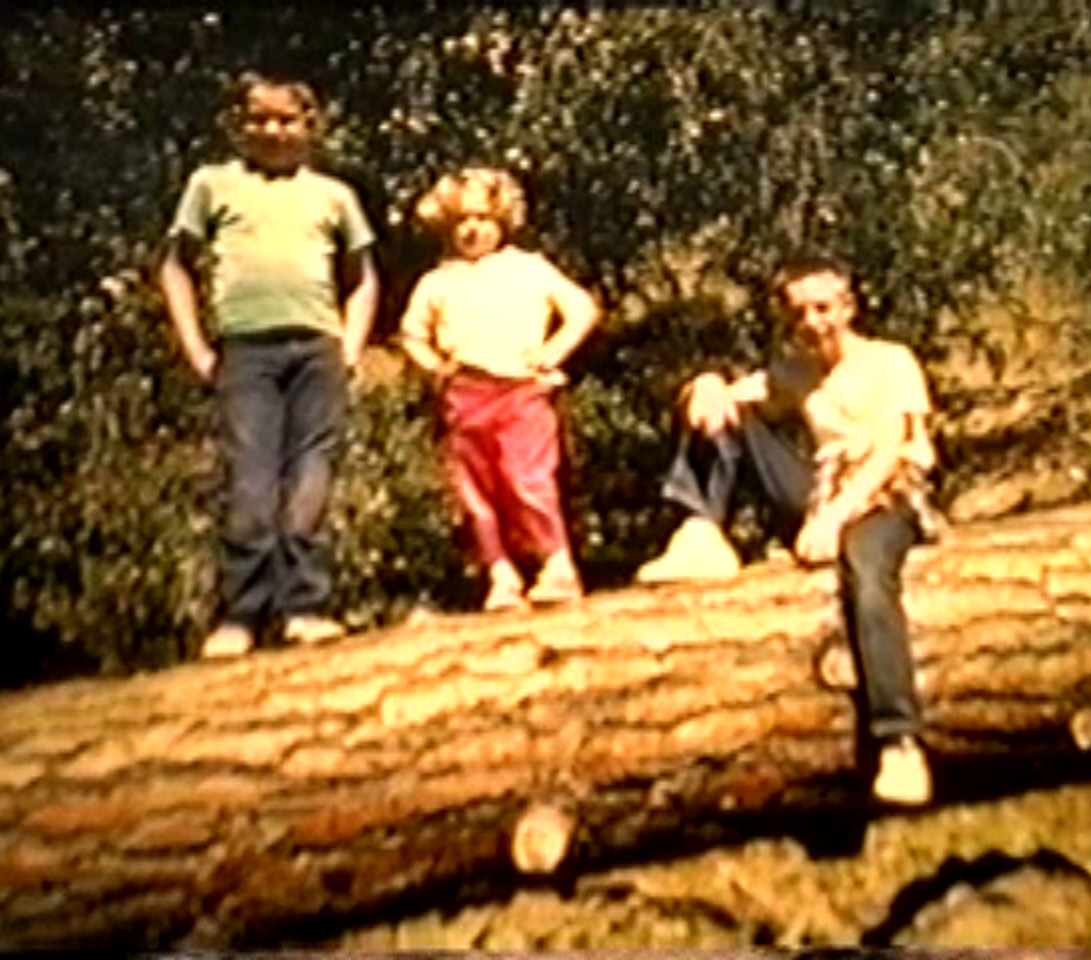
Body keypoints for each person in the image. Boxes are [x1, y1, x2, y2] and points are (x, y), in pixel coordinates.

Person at [636, 253, 941, 805]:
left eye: (822, 308)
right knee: (725, 411)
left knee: (868, 574)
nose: (812, 322)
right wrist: (705, 385)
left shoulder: (889, 361)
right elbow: (729, 401)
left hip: (886, 493)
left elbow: (888, 453)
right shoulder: (797, 372)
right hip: (824, 492)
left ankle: (900, 741)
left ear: (848, 306)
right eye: (799, 312)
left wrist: (834, 518)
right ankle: (702, 529)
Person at [160, 72, 379, 658]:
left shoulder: (334, 195)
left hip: (317, 349)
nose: (273, 131)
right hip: (245, 352)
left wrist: (351, 345)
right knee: (251, 482)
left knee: (310, 479)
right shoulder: (212, 185)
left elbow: (363, 278)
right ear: (240, 126)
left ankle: (305, 608)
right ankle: (240, 616)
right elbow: (175, 267)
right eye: (260, 119)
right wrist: (196, 347)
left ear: (310, 126)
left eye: (287, 120)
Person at [399, 167, 599, 612]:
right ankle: (501, 575)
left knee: (529, 479)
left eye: (483, 218)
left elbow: (582, 309)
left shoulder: (528, 268)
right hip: (466, 395)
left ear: (504, 220)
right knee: (478, 493)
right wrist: (436, 367)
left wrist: (552, 352)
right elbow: (412, 335)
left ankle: (557, 564)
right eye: (461, 220)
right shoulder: (438, 281)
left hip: (521, 391)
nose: (472, 229)